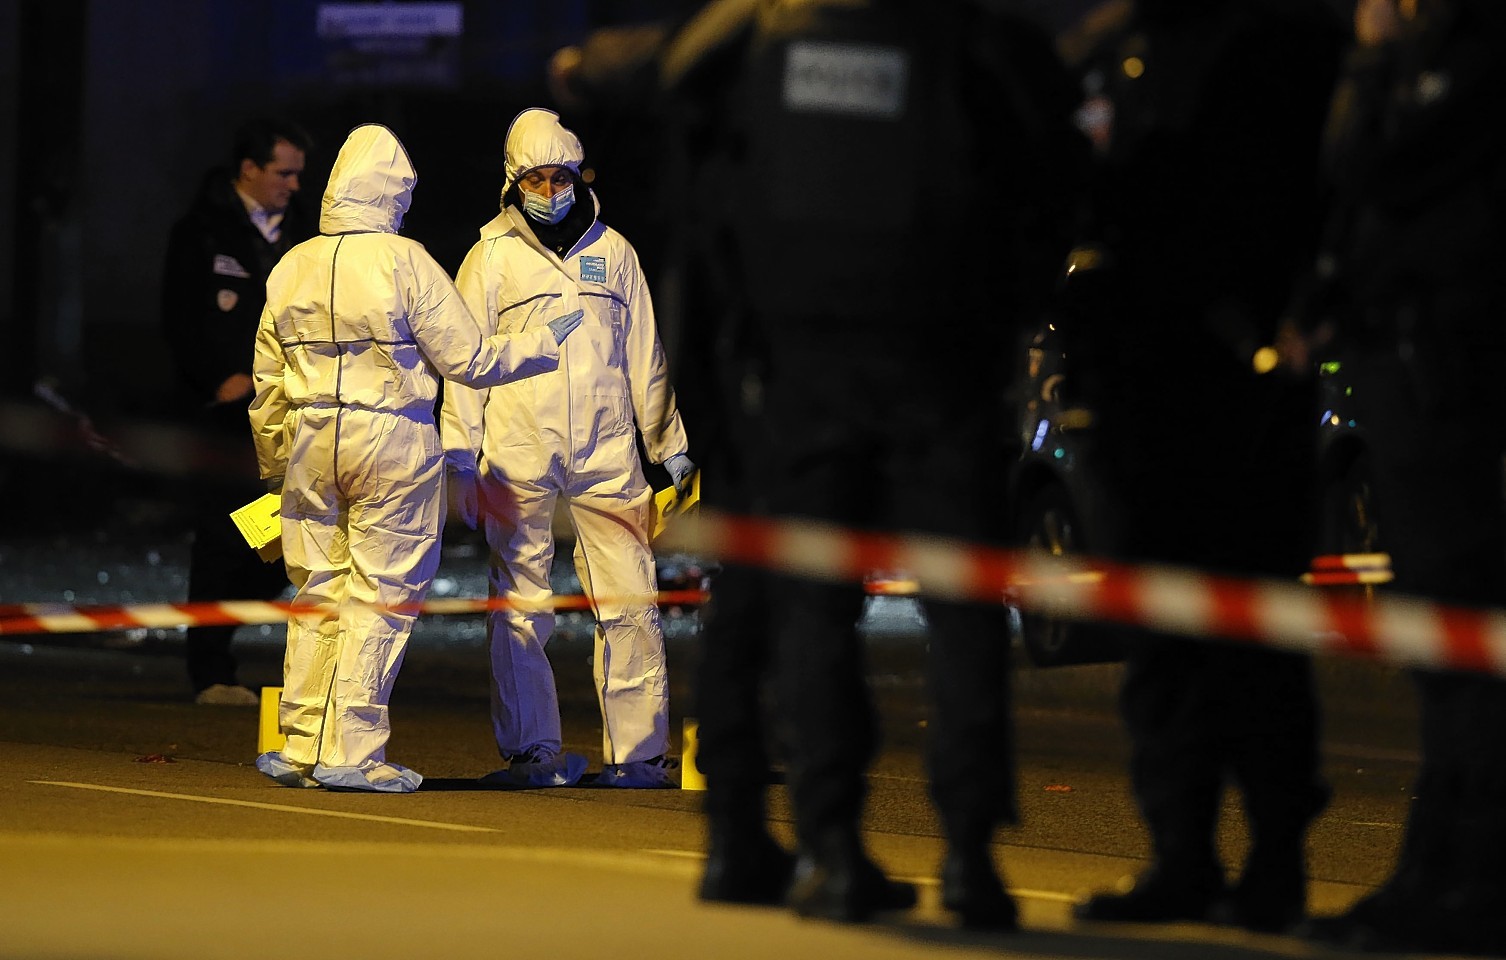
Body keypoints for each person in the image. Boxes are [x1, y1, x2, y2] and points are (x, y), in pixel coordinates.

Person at [657, 0, 1088, 925]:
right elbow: (1057, 176)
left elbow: (697, 186)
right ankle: (970, 857)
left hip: (800, 366)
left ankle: (832, 850)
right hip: (943, 363)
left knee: (812, 610)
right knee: (964, 610)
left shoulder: (750, 40)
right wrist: (1004, 314)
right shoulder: (969, 36)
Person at [1059, 0, 1344, 933]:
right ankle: (1182, 853)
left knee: (1251, 625)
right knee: (1161, 633)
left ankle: (1271, 860)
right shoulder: (1114, 51)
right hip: (1139, 383)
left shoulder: (1279, 45)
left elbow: (1317, 194)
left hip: (1239, 380)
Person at [248, 123, 584, 793]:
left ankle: (301, 743)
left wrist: (275, 468)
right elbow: (469, 358)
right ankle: (353, 751)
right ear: (394, 192)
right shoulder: (406, 261)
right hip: (391, 439)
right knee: (384, 595)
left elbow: (266, 384)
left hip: (312, 441)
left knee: (318, 591)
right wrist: (543, 342)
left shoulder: (292, 265)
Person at [1294, 0, 1506, 953]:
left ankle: (1465, 876)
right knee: (1445, 639)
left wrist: (1375, 66)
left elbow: (1380, 171)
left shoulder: (1469, 61)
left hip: (1448, 370)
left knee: (1463, 637)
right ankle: (1441, 863)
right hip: (1414, 370)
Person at [440, 107, 695, 790]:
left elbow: (646, 359)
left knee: (631, 597)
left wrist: (671, 448)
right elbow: (464, 364)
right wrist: (459, 455)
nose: (548, 189)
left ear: (581, 176)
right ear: (511, 182)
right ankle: (532, 751)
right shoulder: (489, 258)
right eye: (534, 177)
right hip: (518, 451)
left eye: (559, 176)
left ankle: (638, 753)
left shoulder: (615, 254)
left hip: (609, 453)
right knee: (521, 600)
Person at [161, 116, 313, 706]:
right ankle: (211, 671)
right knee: (222, 540)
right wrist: (216, 378)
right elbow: (178, 320)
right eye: (284, 173)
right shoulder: (200, 232)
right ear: (248, 170)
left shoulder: (304, 236)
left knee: (274, 535)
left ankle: (230, 639)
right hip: (223, 420)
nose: (294, 185)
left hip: (287, 415)